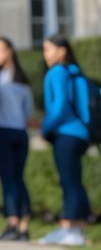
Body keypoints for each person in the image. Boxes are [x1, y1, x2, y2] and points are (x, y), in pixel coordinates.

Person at [0, 36, 34, 242]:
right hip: (20, 133)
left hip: (2, 132)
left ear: (10, 50)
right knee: (17, 178)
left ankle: (13, 223)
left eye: (1, 50)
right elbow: (28, 111)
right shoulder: (22, 80)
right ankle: (24, 226)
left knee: (9, 179)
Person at [40, 33, 90, 247]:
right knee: (72, 180)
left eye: (48, 49)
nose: (45, 54)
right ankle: (70, 227)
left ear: (62, 51)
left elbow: (59, 106)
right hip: (80, 133)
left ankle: (72, 229)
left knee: (69, 181)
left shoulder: (57, 72)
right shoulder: (73, 72)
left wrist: (45, 128)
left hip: (67, 134)